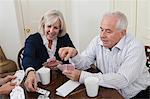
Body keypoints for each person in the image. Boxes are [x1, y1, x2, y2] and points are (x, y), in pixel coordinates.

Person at [58, 11, 150, 99]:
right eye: (101, 29)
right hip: (109, 88)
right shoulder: (98, 40)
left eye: (108, 31)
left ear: (122, 33)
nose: (102, 35)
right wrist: (75, 54)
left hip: (136, 94)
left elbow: (122, 80)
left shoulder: (135, 47)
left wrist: (82, 76)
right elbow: (83, 64)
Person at [23, 9, 75, 92]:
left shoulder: (64, 38)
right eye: (49, 26)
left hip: (61, 81)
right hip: (40, 82)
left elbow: (73, 56)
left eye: (55, 28)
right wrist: (30, 72)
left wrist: (61, 63)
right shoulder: (32, 39)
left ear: (60, 29)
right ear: (43, 26)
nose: (51, 31)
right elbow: (28, 57)